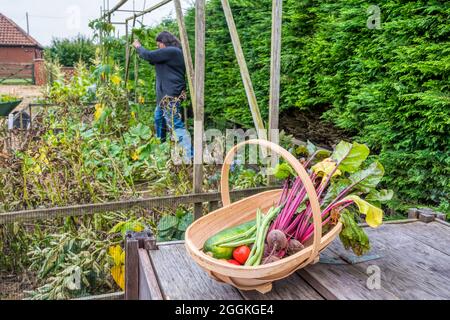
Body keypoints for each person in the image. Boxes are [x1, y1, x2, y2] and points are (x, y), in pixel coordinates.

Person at [133, 31, 193, 162]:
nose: (158, 47)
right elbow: (153, 59)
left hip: (170, 96)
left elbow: (149, 55)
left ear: (163, 42)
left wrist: (138, 46)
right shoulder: (170, 54)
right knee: (159, 118)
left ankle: (190, 156)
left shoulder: (173, 51)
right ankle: (163, 148)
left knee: (175, 125)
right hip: (163, 98)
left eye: (158, 44)